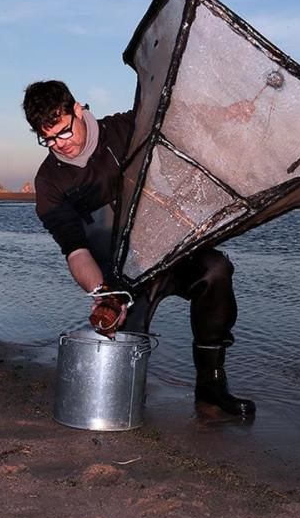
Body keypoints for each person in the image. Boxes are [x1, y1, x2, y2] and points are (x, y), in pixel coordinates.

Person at [24, 80, 256, 417]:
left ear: (78, 110)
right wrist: (102, 294)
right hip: (118, 278)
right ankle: (125, 395)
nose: (61, 145)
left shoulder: (124, 129)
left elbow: (178, 115)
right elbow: (75, 251)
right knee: (120, 388)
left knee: (215, 269)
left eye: (64, 132)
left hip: (167, 251)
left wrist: (227, 113)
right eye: (47, 139)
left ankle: (211, 387)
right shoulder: (49, 182)